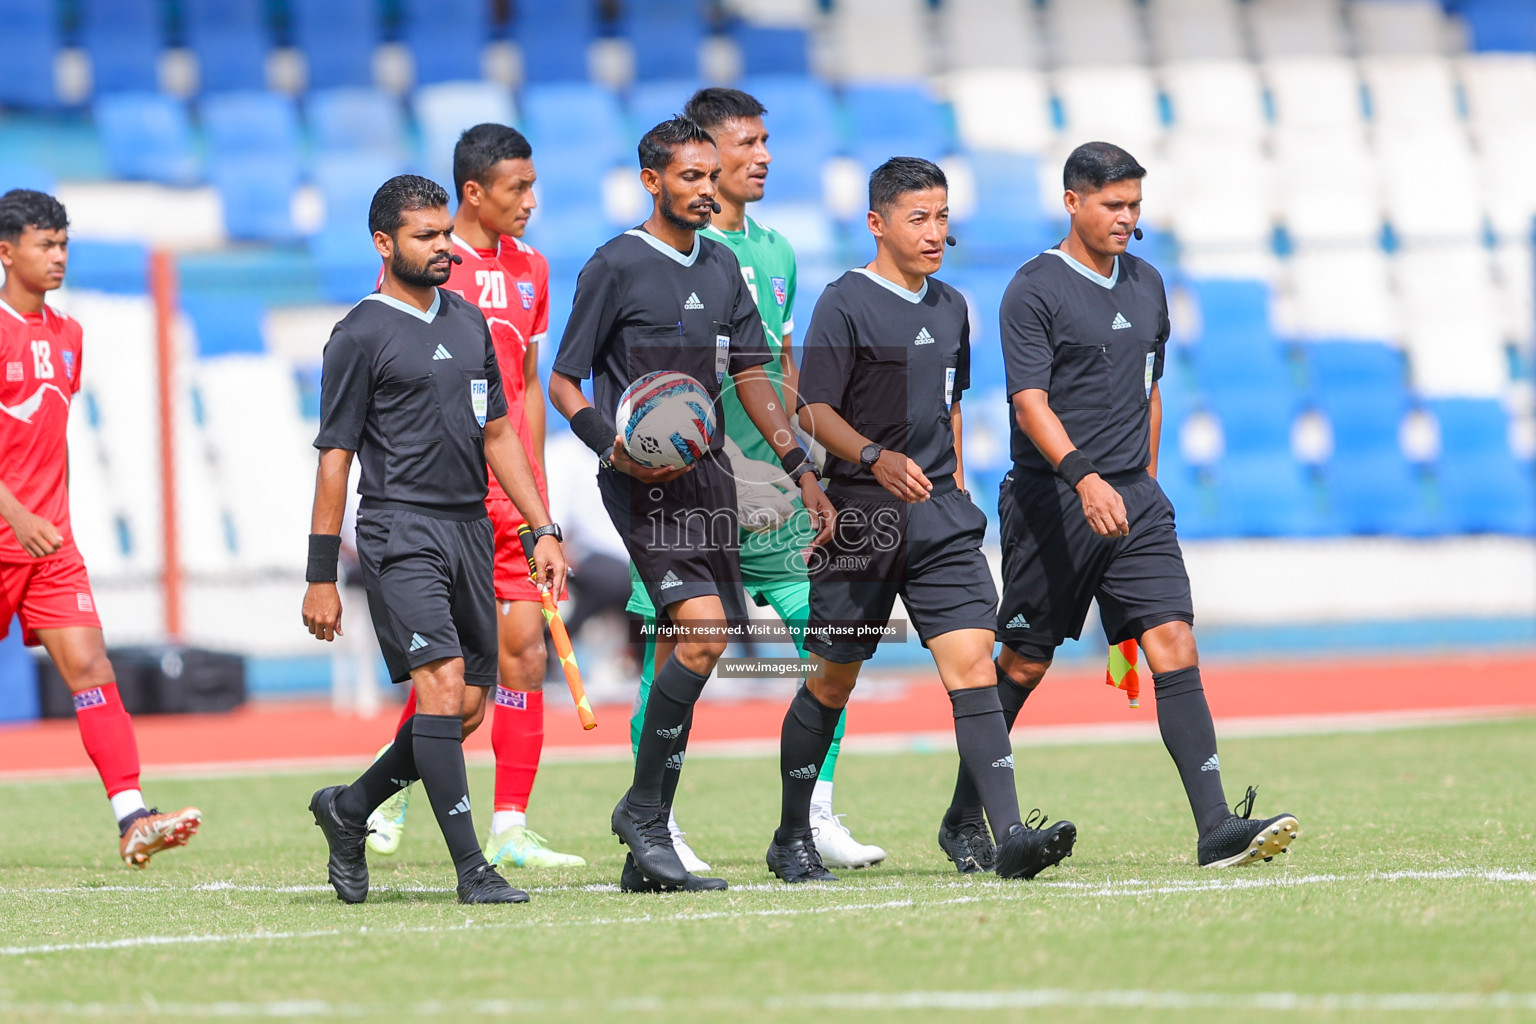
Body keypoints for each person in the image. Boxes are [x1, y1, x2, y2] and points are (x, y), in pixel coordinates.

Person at [938, 141, 1299, 870]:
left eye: (1135, 204)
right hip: (1053, 500)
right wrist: (1084, 478)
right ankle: (962, 817)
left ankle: (1216, 827)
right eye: (1113, 204)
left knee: (1174, 644)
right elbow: (1028, 403)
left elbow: (1150, 389)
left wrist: (1145, 482)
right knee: (1024, 665)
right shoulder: (1033, 288)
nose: (1127, 218)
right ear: (1073, 202)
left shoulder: (1148, 282)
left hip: (1134, 500)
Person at [549, 117, 835, 892]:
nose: (707, 191)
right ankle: (644, 813)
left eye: (713, 178)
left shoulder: (721, 269)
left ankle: (648, 840)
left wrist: (799, 465)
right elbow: (565, 380)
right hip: (641, 484)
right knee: (704, 635)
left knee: (690, 650)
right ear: (652, 181)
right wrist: (613, 446)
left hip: (713, 479)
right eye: (690, 178)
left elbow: (753, 376)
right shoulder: (613, 265)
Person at [779, 158, 1079, 884]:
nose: (936, 231)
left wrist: (956, 490)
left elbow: (949, 406)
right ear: (878, 223)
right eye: (919, 217)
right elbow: (811, 408)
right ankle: (791, 835)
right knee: (833, 681)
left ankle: (1004, 833)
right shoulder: (843, 301)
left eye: (943, 216)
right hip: (861, 513)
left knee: (975, 663)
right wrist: (876, 457)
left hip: (939, 512)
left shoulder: (952, 307)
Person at [622, 87, 885, 873]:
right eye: (746, 144)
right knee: (671, 659)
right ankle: (654, 823)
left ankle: (812, 814)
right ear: (697, 158)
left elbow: (779, 368)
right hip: (691, 494)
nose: (763, 156)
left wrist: (814, 464)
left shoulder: (778, 251)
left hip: (777, 494)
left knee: (834, 636)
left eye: (766, 141)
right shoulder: (668, 257)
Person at [302, 174, 569, 905]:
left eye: (446, 232)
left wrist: (539, 524)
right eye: (426, 236)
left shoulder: (467, 321)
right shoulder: (357, 333)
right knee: (443, 689)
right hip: (398, 527)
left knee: (469, 706)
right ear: (385, 244)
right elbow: (335, 458)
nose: (444, 246)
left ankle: (349, 809)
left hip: (471, 531)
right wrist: (320, 575)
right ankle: (472, 870)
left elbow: (497, 433)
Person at [363, 124, 583, 871]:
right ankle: (388, 794)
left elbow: (523, 389)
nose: (530, 201)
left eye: (532, 185)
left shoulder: (535, 268)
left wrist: (538, 499)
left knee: (522, 656)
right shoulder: (431, 267)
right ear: (472, 193)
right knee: (450, 675)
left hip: (511, 491)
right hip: (440, 498)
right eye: (515, 188)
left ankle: (512, 827)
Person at [0, 189, 202, 869]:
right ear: (6, 252)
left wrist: (46, 517)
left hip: (50, 545)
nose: (58, 257)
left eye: (63, 244)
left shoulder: (68, 336)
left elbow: (43, 441)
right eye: (44, 245)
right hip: (11, 531)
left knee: (90, 665)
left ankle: (131, 816)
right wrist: (18, 513)